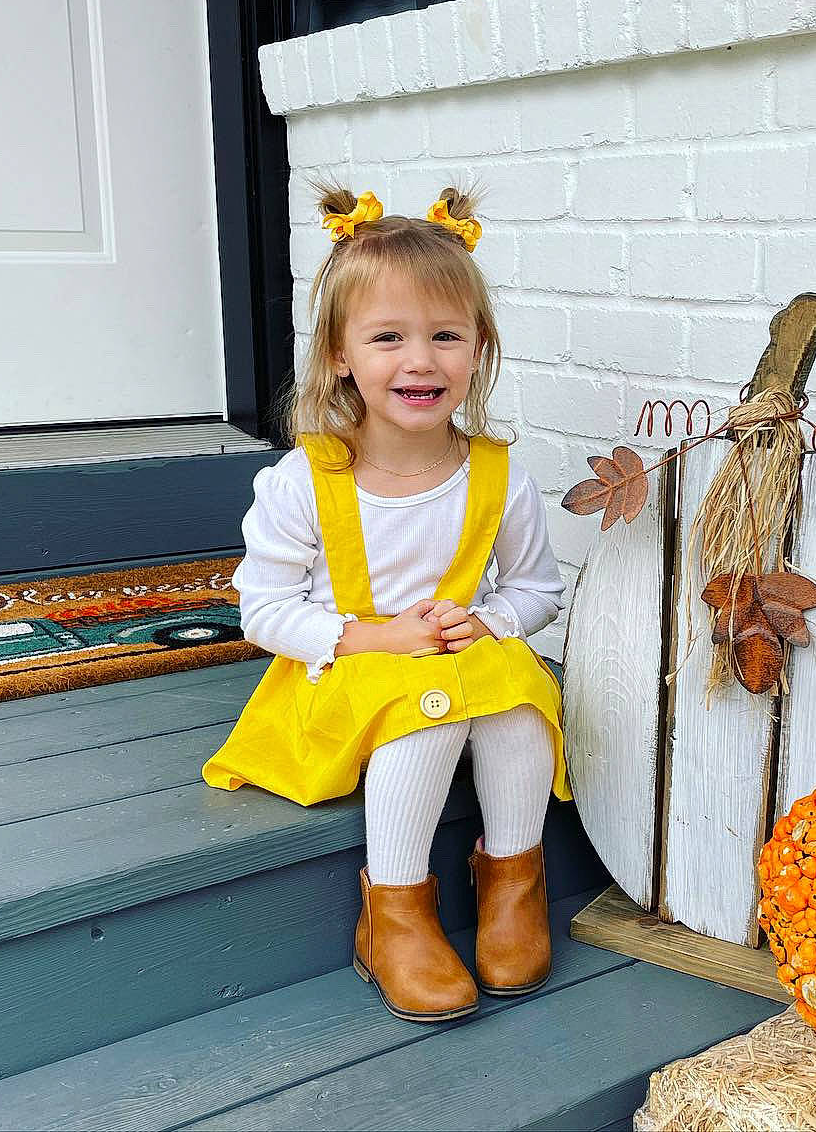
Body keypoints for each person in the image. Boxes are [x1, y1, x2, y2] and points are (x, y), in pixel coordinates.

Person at [203, 183, 568, 1025]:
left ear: (479, 348)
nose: (421, 360)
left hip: (456, 658)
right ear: (339, 354)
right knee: (433, 710)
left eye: (446, 336)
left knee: (517, 701)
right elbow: (263, 611)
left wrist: (488, 620)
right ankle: (396, 911)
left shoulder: (499, 477)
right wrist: (377, 636)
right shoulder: (307, 480)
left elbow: (535, 590)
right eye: (388, 338)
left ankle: (513, 878)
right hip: (347, 674)